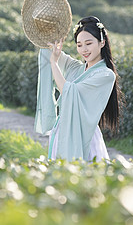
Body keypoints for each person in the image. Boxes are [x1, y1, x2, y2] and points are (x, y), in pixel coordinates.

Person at [34, 15, 121, 162]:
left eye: (88, 43)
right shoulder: (76, 68)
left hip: (84, 137)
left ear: (102, 43)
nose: (84, 49)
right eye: (79, 45)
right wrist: (45, 2)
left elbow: (70, 92)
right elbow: (48, 48)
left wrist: (54, 64)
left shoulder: (105, 75)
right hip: (62, 132)